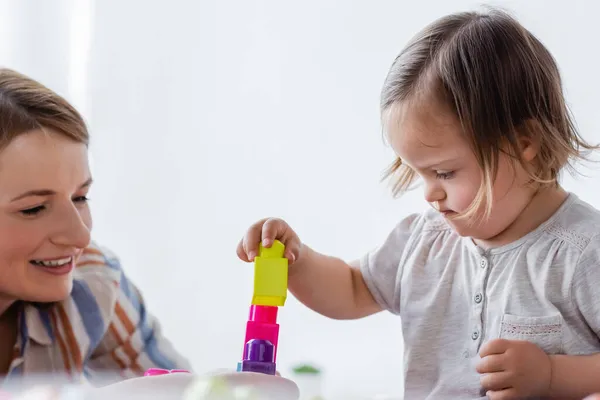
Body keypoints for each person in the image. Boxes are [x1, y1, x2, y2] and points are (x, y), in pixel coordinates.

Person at [238, 8, 600, 400]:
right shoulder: (425, 240)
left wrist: (553, 376)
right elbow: (353, 288)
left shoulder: (583, 252)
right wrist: (298, 261)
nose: (429, 194)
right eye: (419, 174)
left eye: (444, 173)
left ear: (522, 143)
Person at [0, 68, 190, 386]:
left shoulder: (93, 284)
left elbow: (185, 395)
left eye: (80, 197)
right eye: (33, 208)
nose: (80, 236)